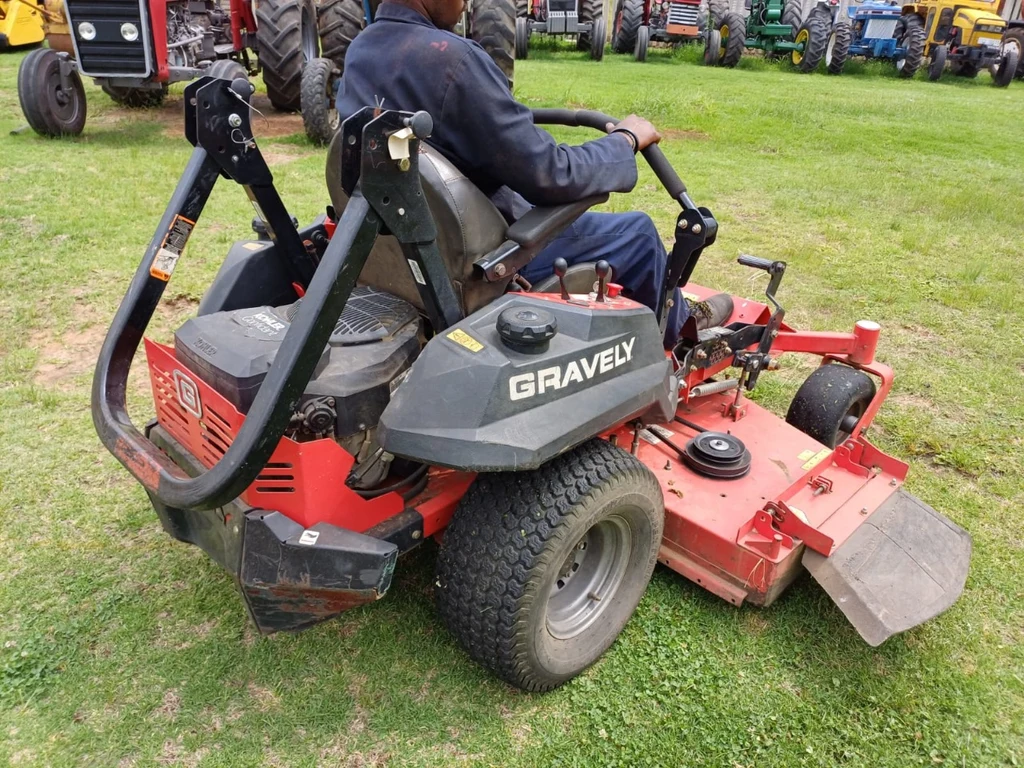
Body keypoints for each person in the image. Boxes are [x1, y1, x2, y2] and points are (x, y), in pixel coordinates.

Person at [335, 0, 733, 345]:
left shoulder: (361, 51)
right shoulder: (452, 59)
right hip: (483, 260)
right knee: (639, 234)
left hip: (405, 247)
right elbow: (552, 174)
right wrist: (624, 140)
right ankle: (680, 334)